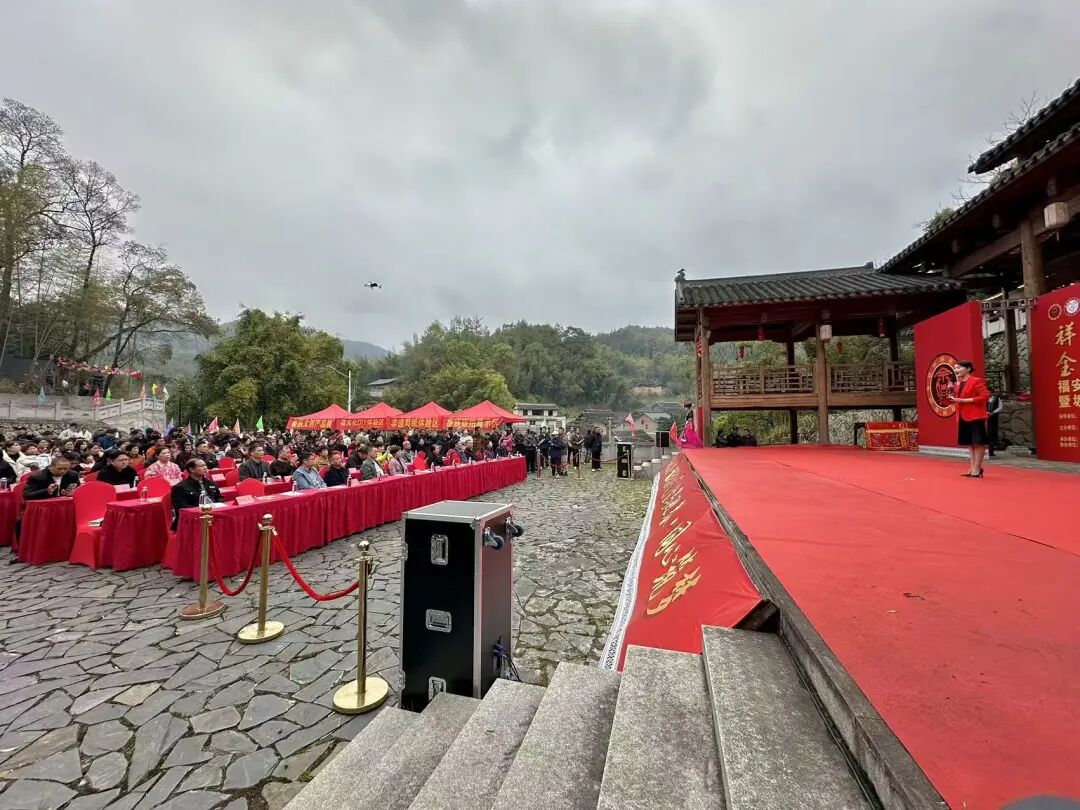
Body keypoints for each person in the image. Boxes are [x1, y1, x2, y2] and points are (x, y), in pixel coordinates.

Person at [949, 360, 991, 478]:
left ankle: (977, 468)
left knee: (978, 442)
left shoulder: (976, 381)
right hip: (962, 415)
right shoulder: (958, 383)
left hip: (975, 416)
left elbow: (985, 396)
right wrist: (953, 396)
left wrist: (964, 401)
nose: (956, 370)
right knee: (969, 443)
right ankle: (972, 467)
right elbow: (957, 398)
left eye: (959, 368)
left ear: (968, 369)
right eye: (955, 368)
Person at [170, 459, 223, 529]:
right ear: (191, 469)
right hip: (191, 522)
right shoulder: (180, 487)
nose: (205, 467)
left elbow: (219, 497)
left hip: (214, 516)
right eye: (201, 466)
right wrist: (203, 511)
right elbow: (181, 507)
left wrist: (218, 506)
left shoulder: (212, 483)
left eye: (205, 465)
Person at [987, 392, 1003, 458]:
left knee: (993, 432)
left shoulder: (997, 399)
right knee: (987, 432)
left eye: (989, 392)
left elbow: (1000, 407)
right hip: (985, 417)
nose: (988, 393)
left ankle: (991, 451)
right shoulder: (984, 398)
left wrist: (993, 412)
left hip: (994, 418)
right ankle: (987, 450)